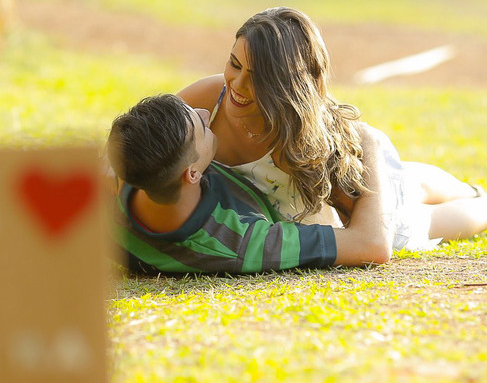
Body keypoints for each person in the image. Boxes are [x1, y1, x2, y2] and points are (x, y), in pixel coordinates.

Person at [177, 6, 487, 251]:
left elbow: (364, 234)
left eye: (258, 76)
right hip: (356, 168)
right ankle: (477, 190)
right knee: (416, 180)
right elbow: (150, 139)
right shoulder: (209, 97)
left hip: (362, 187)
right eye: (234, 64)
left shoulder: (299, 144)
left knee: (421, 214)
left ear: (287, 87)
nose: (238, 85)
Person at [106, 94, 392, 274]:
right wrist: (369, 142)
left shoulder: (130, 172)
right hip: (372, 202)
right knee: (422, 200)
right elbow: (371, 245)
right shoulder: (241, 243)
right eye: (200, 126)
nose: (206, 114)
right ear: (191, 174)